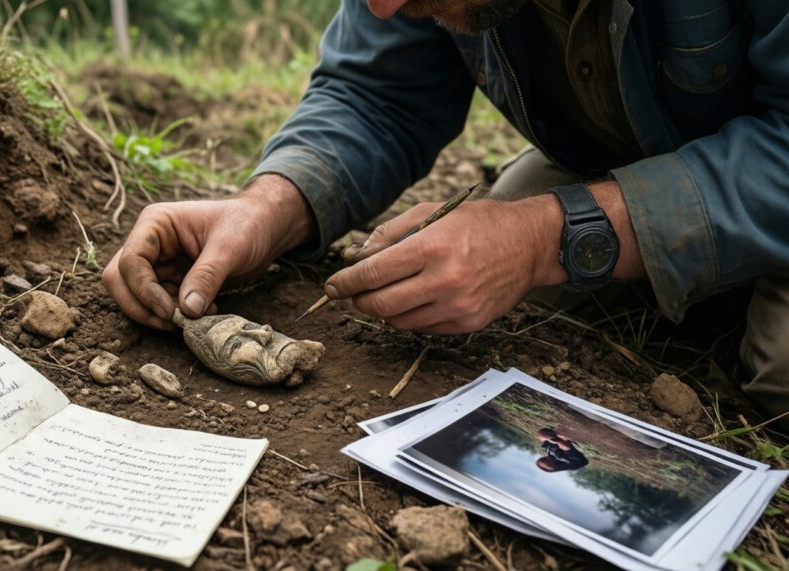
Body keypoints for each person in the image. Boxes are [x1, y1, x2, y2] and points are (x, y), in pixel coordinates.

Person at [102, 0, 789, 422]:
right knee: (500, 292)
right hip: (630, 157)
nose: (380, 7)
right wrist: (269, 205)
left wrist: (544, 236)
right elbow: (376, 93)